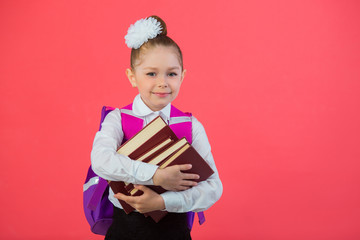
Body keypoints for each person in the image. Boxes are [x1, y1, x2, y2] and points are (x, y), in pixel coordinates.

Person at [91, 15, 222, 240]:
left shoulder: (191, 125)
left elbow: (213, 188)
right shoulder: (118, 119)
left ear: (183, 76)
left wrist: (163, 201)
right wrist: (156, 176)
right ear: (132, 76)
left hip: (174, 231)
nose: (162, 82)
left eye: (171, 74)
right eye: (151, 73)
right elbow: (100, 160)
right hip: (125, 231)